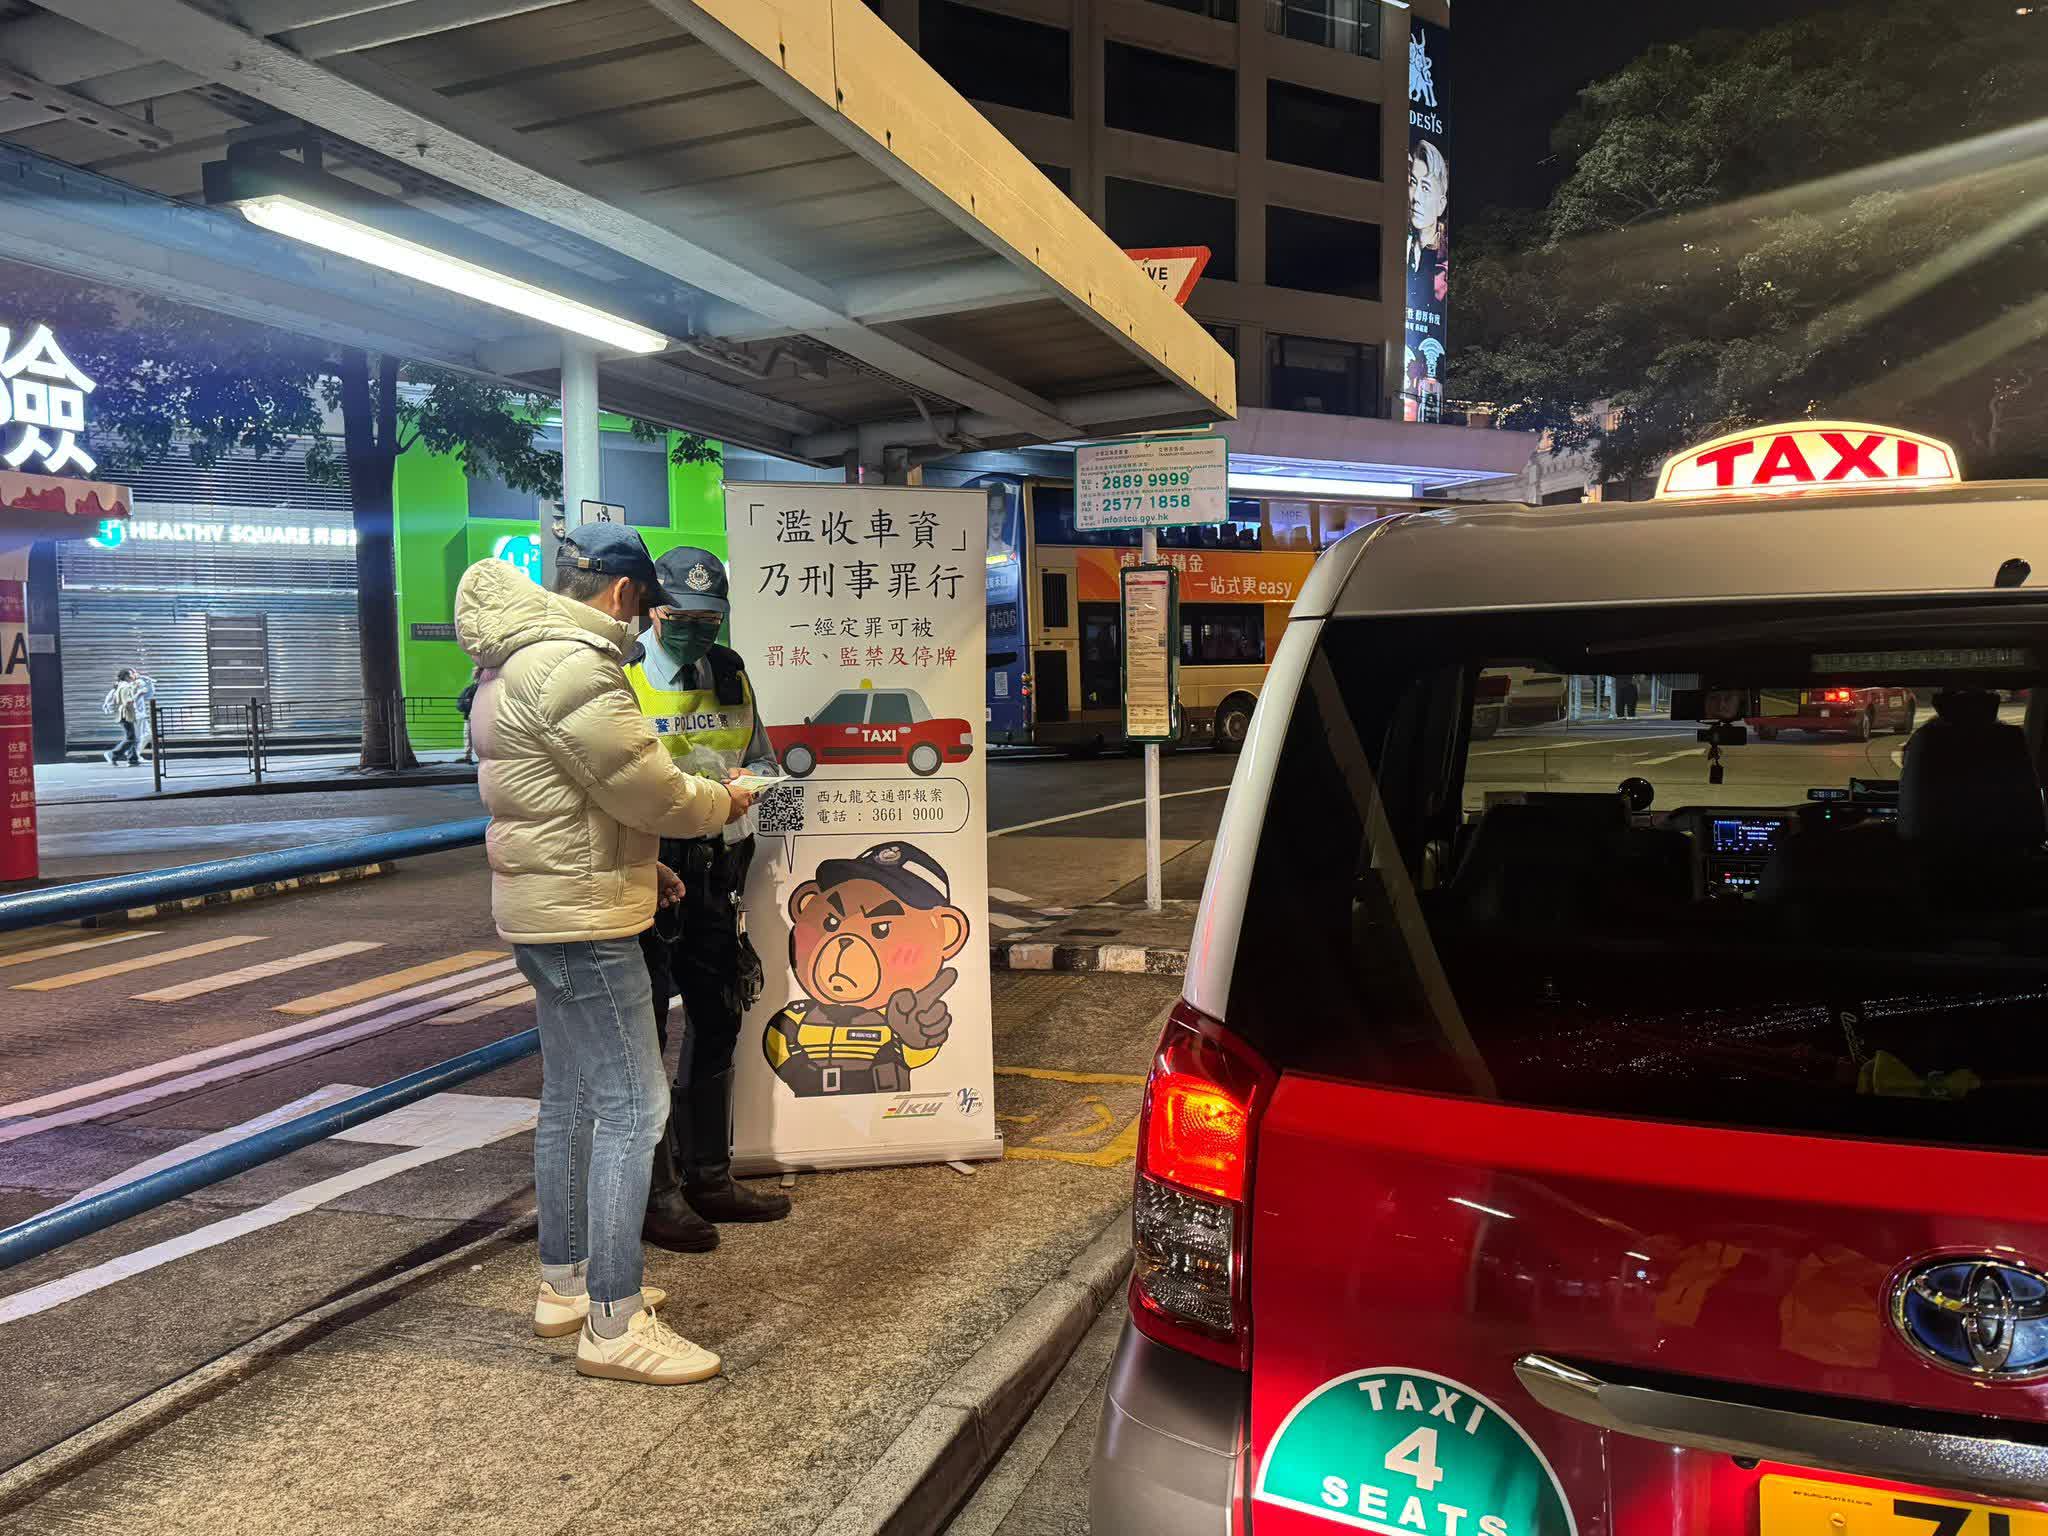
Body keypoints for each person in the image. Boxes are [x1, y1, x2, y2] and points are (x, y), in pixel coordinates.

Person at [455, 522, 754, 1386]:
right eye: (646, 607)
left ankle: (567, 1283)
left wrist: (640, 865)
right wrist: (725, 799)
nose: (642, 623)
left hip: (551, 907)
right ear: (625, 594)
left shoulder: (512, 661)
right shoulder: (576, 666)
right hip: (584, 922)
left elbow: (564, 799)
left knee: (573, 1098)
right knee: (633, 1106)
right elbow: (653, 792)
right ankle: (615, 1323)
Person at [626, 545, 791, 1251]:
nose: (697, 632)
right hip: (649, 870)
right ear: (653, 611)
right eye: (684, 619)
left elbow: (763, 760)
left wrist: (753, 786)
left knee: (718, 1016)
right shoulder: (622, 673)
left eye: (709, 620)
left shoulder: (729, 670)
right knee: (643, 1034)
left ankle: (709, 1177)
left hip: (719, 868)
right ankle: (657, 1195)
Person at [101, 668, 141, 765]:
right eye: (131, 674)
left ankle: (133, 759)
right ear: (126, 676)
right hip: (126, 715)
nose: (134, 675)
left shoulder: (122, 685)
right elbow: (127, 702)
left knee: (132, 737)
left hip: (125, 714)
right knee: (131, 738)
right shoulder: (125, 687)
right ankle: (113, 754)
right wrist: (138, 694)